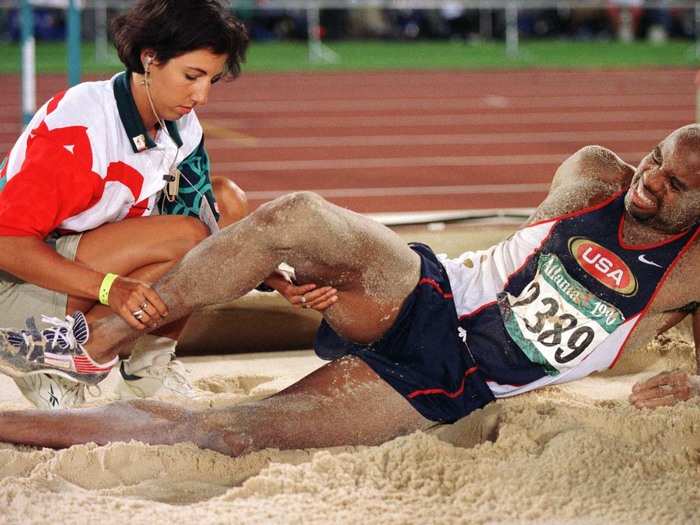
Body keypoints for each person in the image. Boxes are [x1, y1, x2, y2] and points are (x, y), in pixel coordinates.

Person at [0, 124, 699, 455]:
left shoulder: (690, 274)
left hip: (452, 379)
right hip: (428, 288)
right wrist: (331, 273)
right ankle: (94, 345)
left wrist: (687, 385)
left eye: (675, 182)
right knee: (295, 215)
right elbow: (517, 261)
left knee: (223, 431)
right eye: (657, 156)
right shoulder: (593, 173)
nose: (652, 177)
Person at [0, 0, 334, 410]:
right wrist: (109, 289)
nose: (202, 96)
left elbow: (217, 227)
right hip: (14, 289)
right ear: (150, 58)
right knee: (185, 237)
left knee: (227, 202)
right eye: (191, 76)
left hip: (75, 263)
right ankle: (60, 359)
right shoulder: (80, 130)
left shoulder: (180, 126)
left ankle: (147, 374)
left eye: (212, 79)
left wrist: (275, 278)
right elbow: (8, 244)